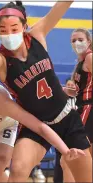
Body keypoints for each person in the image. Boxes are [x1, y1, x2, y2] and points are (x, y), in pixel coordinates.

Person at [0, 1, 92, 182]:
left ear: (24, 26)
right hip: (35, 124)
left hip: (67, 118)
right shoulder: (3, 61)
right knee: (18, 169)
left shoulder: (36, 35)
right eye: (2, 30)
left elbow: (61, 6)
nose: (8, 34)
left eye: (14, 28)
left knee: (85, 178)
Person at [61, 28, 92, 182]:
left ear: (89, 41)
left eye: (80, 39)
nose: (76, 43)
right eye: (73, 40)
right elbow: (76, 92)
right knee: (75, 158)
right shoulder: (80, 63)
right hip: (82, 107)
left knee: (70, 158)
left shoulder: (90, 58)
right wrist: (68, 90)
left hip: (88, 108)